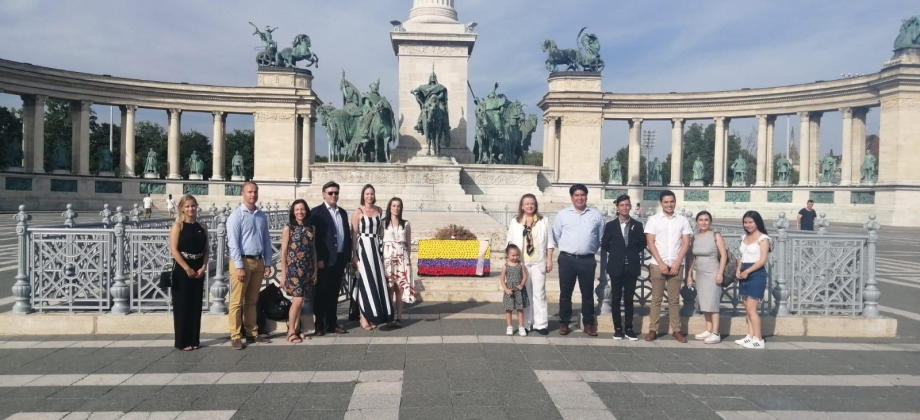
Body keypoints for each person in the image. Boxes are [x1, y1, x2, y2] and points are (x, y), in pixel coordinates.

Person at [552, 184, 605, 336]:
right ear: (572, 197)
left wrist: (589, 249)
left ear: (586, 196)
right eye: (576, 195)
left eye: (582, 195)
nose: (579, 198)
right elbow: (556, 235)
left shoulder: (595, 215)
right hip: (567, 259)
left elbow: (600, 237)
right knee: (565, 293)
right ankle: (564, 323)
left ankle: (588, 323)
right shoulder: (563, 214)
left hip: (587, 259)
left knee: (587, 293)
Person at [226, 182, 273, 350]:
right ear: (243, 194)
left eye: (255, 191)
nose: (253, 194)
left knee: (252, 300)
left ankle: (252, 332)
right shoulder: (236, 216)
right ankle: (235, 335)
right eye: (249, 191)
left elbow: (266, 240)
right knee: (237, 301)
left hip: (258, 261)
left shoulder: (261, 215)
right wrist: (238, 266)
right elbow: (233, 244)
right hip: (242, 262)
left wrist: (268, 262)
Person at [644, 190, 692, 342]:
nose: (669, 204)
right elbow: (650, 242)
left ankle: (676, 330)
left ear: (675, 202)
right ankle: (653, 329)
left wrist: (677, 262)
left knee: (674, 300)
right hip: (658, 264)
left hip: (676, 264)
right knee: (656, 299)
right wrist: (661, 262)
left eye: (671, 201)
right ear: (661, 203)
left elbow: (686, 242)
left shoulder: (682, 220)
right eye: (666, 202)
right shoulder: (653, 219)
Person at [506, 193, 555, 335]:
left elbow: (550, 242)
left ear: (536, 205)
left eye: (532, 203)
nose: (529, 206)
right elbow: (509, 242)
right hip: (522, 263)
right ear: (522, 206)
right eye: (526, 203)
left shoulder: (543, 221)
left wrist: (549, 259)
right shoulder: (515, 222)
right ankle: (526, 324)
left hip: (538, 261)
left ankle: (541, 324)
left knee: (539, 293)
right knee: (524, 294)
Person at [600, 194, 646, 341]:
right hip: (616, 266)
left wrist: (630, 253)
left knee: (629, 298)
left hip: (631, 266)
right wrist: (618, 253)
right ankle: (618, 328)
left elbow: (642, 244)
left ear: (630, 207)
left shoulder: (637, 225)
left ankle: (629, 328)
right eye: (622, 205)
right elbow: (605, 244)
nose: (625, 208)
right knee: (616, 298)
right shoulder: (610, 226)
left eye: (627, 205)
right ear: (617, 208)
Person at [349, 184, 393, 330]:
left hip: (375, 247)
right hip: (363, 247)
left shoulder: (379, 210)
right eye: (367, 194)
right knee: (364, 283)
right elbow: (354, 234)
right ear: (363, 195)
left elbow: (381, 230)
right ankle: (362, 317)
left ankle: (372, 314)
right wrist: (354, 256)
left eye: (372, 194)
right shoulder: (358, 212)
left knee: (374, 282)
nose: (369, 196)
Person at [311, 181, 352, 336]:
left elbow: (346, 235)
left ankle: (332, 323)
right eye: (330, 193)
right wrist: (319, 258)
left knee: (334, 292)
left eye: (336, 193)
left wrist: (347, 256)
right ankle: (319, 324)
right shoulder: (316, 212)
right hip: (325, 260)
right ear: (323, 194)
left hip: (339, 258)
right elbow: (316, 239)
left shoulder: (342, 212)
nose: (334, 195)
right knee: (321, 292)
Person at [168, 194, 208, 351]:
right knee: (182, 305)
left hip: (198, 267)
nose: (191, 209)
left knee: (195, 304)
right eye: (187, 206)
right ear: (182, 208)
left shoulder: (202, 227)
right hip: (182, 268)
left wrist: (204, 267)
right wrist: (187, 268)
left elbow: (206, 250)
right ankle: (182, 341)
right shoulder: (178, 226)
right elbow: (174, 250)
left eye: (193, 206)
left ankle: (194, 340)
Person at [686, 211, 728, 344]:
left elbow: (724, 255)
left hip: (713, 271)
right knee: (704, 301)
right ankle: (708, 329)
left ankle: (716, 332)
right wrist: (689, 273)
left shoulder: (716, 235)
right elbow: (692, 256)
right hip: (701, 272)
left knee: (713, 303)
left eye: (706, 220)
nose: (703, 222)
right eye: (701, 220)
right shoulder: (695, 237)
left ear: (710, 221)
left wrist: (720, 273)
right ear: (697, 222)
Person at [280, 199, 317, 344]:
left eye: (302, 209)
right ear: (293, 212)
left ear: (306, 211)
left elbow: (313, 250)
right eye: (297, 209)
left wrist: (315, 271)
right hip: (293, 269)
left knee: (301, 302)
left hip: (307, 269)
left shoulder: (312, 228)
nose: (300, 212)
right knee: (298, 300)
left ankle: (296, 329)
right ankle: (290, 332)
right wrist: (283, 274)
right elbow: (283, 253)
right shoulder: (288, 228)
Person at [734, 211, 771, 349]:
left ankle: (758, 338)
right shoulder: (744, 237)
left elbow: (762, 260)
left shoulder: (763, 238)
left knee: (752, 308)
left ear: (757, 222)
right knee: (746, 307)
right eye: (745, 222)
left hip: (756, 273)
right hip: (744, 271)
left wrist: (747, 271)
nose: (748, 225)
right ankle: (750, 336)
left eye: (750, 222)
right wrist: (739, 269)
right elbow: (742, 256)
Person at [383, 197, 416, 328]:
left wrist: (407, 260)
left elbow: (408, 243)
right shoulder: (383, 223)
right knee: (389, 287)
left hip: (402, 257)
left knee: (400, 288)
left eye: (398, 206)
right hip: (388, 258)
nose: (396, 208)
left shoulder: (406, 224)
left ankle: (399, 317)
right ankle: (389, 316)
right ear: (389, 207)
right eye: (394, 205)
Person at [500, 244, 530, 336]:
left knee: (520, 309)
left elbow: (525, 276)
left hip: (519, 290)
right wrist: (506, 289)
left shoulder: (520, 264)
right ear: (507, 255)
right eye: (512, 255)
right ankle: (509, 326)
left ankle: (521, 327)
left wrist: (522, 284)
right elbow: (501, 279)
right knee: (508, 309)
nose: (515, 257)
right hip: (509, 289)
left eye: (517, 255)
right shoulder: (505, 266)